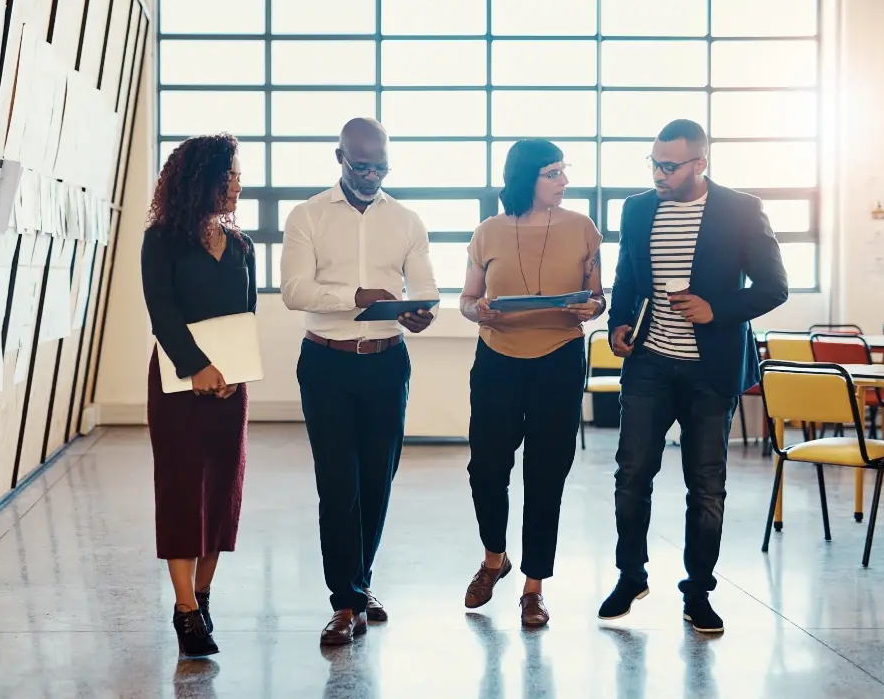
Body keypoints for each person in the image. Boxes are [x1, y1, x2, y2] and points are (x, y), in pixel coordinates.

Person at [598, 119, 788, 634]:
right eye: (654, 163)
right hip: (649, 364)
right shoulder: (638, 209)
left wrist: (716, 309)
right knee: (631, 476)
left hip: (711, 369)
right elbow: (626, 276)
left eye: (669, 165)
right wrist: (619, 325)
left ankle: (698, 591)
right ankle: (630, 576)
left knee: (705, 486)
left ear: (700, 163)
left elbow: (774, 287)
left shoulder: (741, 210)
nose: (658, 174)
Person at [280, 117, 438, 646]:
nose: (371, 176)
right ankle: (345, 602)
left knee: (376, 480)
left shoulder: (407, 221)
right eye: (362, 166)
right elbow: (294, 290)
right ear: (340, 158)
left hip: (387, 362)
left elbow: (425, 288)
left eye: (381, 168)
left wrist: (421, 313)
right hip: (327, 362)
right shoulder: (307, 215)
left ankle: (360, 583)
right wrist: (355, 297)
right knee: (338, 484)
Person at [460, 139, 604, 627]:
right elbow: (467, 299)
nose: (564, 180)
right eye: (553, 173)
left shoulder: (583, 228)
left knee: (546, 475)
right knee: (486, 468)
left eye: (564, 170)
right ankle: (494, 559)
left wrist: (591, 307)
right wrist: (476, 310)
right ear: (527, 178)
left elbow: (598, 297)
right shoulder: (488, 232)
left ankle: (534, 587)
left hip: (559, 359)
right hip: (497, 359)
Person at [141, 133, 256, 658]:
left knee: (222, 492)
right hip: (179, 385)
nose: (237, 185)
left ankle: (204, 595)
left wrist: (232, 372)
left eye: (238, 176)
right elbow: (162, 313)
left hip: (231, 388)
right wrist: (198, 367)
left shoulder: (241, 245)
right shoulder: (161, 239)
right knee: (182, 489)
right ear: (201, 179)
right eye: (228, 176)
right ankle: (185, 608)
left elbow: (246, 316)